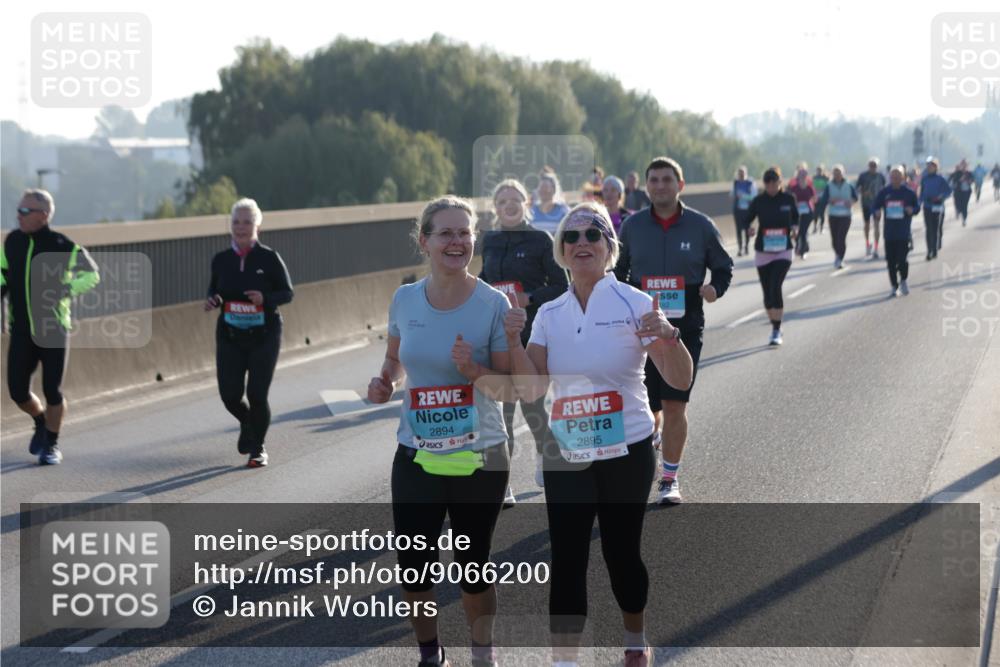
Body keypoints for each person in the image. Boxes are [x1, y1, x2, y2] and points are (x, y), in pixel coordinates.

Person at [504, 201, 693, 667]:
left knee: (620, 553)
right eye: (571, 236)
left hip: (626, 450)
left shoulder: (635, 303)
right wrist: (511, 340)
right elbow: (532, 387)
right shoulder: (549, 313)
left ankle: (635, 639)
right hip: (567, 452)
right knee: (567, 559)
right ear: (561, 250)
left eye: (593, 235)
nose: (582, 243)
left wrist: (669, 336)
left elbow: (680, 378)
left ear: (610, 247)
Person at [368, 195, 512, 667]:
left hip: (479, 454)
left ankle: (482, 655)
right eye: (446, 233)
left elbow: (509, 386)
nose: (456, 242)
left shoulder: (493, 303)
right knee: (414, 568)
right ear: (424, 241)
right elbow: (395, 358)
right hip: (418, 453)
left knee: (473, 566)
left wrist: (474, 371)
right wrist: (386, 380)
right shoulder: (405, 298)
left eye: (464, 233)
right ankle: (430, 653)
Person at [615, 156, 733, 504]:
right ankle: (650, 442)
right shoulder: (632, 226)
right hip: (642, 329)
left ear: (680, 185)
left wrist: (714, 289)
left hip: (684, 328)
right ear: (646, 186)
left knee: (675, 402)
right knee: (647, 406)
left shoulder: (701, 226)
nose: (660, 186)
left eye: (667, 179)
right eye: (654, 180)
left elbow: (723, 267)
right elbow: (618, 272)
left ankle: (669, 478)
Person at [479, 179, 568, 501]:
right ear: (496, 208)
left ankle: (545, 454)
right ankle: (503, 483)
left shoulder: (540, 240)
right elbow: (485, 280)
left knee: (532, 408)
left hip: (531, 336)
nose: (509, 205)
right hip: (498, 337)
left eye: (514, 199)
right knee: (501, 413)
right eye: (502, 201)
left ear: (526, 203)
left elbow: (561, 285)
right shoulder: (489, 241)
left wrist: (529, 297)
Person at [2, 189, 99, 465]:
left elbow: (92, 274)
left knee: (52, 390)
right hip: (21, 329)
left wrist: (66, 289)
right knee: (18, 392)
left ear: (43, 215)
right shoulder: (12, 241)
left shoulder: (61, 244)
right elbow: (2, 274)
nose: (18, 215)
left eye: (25, 211)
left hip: (54, 328)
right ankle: (40, 420)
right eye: (18, 210)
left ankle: (52, 445)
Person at [205, 198, 293, 468]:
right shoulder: (221, 260)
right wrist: (214, 300)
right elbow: (215, 290)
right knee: (230, 396)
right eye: (236, 222)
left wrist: (265, 299)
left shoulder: (269, 258)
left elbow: (287, 293)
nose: (240, 227)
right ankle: (247, 422)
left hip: (264, 335)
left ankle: (258, 448)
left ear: (257, 226)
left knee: (256, 394)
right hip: (230, 335)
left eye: (247, 222)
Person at [744, 167, 797, 345]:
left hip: (783, 250)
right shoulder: (759, 201)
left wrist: (795, 228)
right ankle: (774, 324)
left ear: (780, 182)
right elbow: (747, 218)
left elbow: (796, 217)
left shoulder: (788, 199)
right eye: (768, 184)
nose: (771, 187)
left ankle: (776, 329)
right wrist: (749, 228)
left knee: (775, 286)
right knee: (767, 294)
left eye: (775, 183)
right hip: (763, 251)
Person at [873, 166, 920, 298]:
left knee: (902, 259)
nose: (895, 179)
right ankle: (894, 286)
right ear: (890, 178)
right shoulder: (885, 192)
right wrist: (876, 211)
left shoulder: (909, 193)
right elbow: (875, 206)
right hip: (889, 233)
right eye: (893, 177)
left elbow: (917, 207)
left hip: (903, 232)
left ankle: (903, 279)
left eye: (898, 176)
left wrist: (912, 210)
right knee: (890, 261)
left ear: (903, 177)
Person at [817, 165, 858, 269]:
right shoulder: (829, 185)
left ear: (843, 173)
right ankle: (837, 255)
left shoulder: (849, 185)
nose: (837, 175)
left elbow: (855, 198)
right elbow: (824, 200)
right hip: (833, 215)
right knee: (834, 239)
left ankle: (840, 258)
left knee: (841, 237)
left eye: (839, 173)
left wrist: (850, 202)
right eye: (835, 173)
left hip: (846, 215)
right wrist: (830, 200)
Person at [918, 156, 951, 260]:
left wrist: (941, 197)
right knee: (928, 229)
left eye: (931, 166)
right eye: (928, 166)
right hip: (927, 206)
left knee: (936, 228)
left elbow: (948, 191)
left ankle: (935, 249)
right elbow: (921, 193)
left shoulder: (941, 179)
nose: (929, 168)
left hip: (937, 206)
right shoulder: (924, 179)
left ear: (936, 167)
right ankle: (929, 251)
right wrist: (919, 203)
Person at [856, 158, 887, 259]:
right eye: (871, 165)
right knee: (867, 224)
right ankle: (867, 243)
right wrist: (864, 192)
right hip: (866, 203)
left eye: (874, 165)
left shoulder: (880, 176)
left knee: (877, 225)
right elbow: (857, 188)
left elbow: (884, 188)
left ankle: (876, 248)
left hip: (877, 204)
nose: (873, 167)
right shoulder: (863, 176)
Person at [787, 164, 816, 258]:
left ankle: (802, 251)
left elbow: (814, 198)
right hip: (796, 212)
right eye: (801, 175)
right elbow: (789, 198)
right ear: (798, 176)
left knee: (803, 231)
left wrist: (809, 202)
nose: (803, 177)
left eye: (804, 175)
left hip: (808, 212)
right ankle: (801, 245)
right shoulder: (794, 188)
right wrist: (795, 203)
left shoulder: (809, 187)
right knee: (796, 232)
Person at [731, 166, 758, 256]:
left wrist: (744, 196)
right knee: (738, 229)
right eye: (740, 174)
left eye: (742, 173)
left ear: (746, 173)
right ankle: (740, 248)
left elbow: (754, 196)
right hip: (738, 210)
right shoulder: (735, 183)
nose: (741, 175)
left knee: (747, 229)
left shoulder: (750, 183)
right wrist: (734, 196)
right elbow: (732, 194)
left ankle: (746, 246)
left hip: (747, 210)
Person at [949, 160, 974, 226]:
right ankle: (958, 211)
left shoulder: (969, 173)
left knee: (965, 206)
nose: (964, 166)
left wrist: (969, 181)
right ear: (961, 166)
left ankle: (964, 219)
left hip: (966, 192)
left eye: (965, 165)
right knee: (958, 205)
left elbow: (972, 180)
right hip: (958, 192)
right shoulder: (957, 173)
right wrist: (960, 180)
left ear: (967, 166)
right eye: (962, 165)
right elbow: (954, 181)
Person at [812, 165, 830, 234]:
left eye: (820, 170)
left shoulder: (825, 178)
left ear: (822, 171)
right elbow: (812, 187)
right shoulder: (814, 177)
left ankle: (821, 228)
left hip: (823, 198)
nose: (819, 172)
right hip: (816, 198)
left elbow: (828, 187)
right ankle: (815, 227)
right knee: (815, 213)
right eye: (818, 170)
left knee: (822, 214)